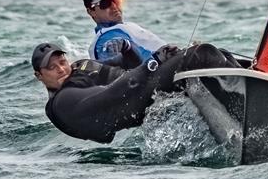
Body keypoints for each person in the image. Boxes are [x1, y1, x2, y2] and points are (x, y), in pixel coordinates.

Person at [31, 40, 238, 143]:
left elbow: (126, 66)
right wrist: (153, 63)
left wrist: (127, 48)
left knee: (220, 54)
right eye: (51, 67)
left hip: (140, 85)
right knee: (200, 54)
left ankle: (253, 85)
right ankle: (244, 106)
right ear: (39, 76)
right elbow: (109, 95)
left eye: (62, 62)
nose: (60, 69)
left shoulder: (79, 70)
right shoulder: (63, 101)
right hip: (135, 100)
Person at [83, 0, 166, 64]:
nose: (114, 7)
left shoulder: (127, 27)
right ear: (91, 12)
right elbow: (118, 69)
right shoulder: (106, 41)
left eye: (116, 0)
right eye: (105, 3)